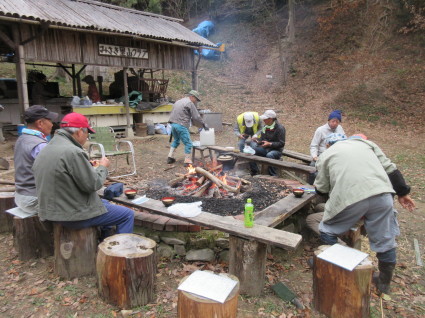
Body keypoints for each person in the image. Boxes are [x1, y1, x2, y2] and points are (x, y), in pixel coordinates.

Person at [313, 133, 415, 295]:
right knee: (385, 239)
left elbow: (321, 189)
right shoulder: (366, 144)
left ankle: (338, 266)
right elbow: (391, 169)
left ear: (328, 145)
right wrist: (403, 193)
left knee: (327, 229)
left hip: (350, 198)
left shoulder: (326, 155)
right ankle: (383, 283)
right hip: (382, 195)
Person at [33, 112, 134, 235]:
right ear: (80, 131)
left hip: (49, 210)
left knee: (104, 204)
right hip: (71, 215)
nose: (87, 137)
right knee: (127, 215)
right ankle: (120, 252)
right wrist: (102, 167)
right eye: (88, 133)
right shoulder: (73, 152)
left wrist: (88, 166)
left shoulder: (48, 147)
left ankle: (104, 240)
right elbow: (93, 185)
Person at [14, 105, 58, 213]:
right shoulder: (39, 145)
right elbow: (55, 172)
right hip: (34, 200)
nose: (52, 124)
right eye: (50, 121)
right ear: (40, 123)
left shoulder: (21, 139)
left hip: (21, 196)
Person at [167, 90, 208, 165]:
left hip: (173, 124)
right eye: (196, 99)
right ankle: (187, 161)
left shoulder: (179, 101)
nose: (196, 101)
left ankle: (170, 157)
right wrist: (204, 125)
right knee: (188, 143)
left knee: (176, 140)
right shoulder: (189, 103)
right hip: (181, 125)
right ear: (192, 96)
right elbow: (196, 116)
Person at [308, 110, 345, 184]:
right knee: (312, 168)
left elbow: (344, 141)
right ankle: (312, 185)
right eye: (333, 121)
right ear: (329, 120)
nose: (335, 123)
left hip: (335, 155)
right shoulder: (320, 130)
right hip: (321, 155)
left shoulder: (340, 129)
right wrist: (315, 157)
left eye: (337, 122)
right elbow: (314, 146)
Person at [250, 110, 286, 176]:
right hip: (265, 149)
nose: (264, 120)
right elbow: (262, 139)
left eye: (265, 119)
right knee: (251, 150)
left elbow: (281, 143)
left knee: (270, 155)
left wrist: (270, 144)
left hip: (276, 150)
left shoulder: (280, 128)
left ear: (271, 119)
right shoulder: (265, 127)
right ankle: (255, 172)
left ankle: (273, 175)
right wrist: (257, 140)